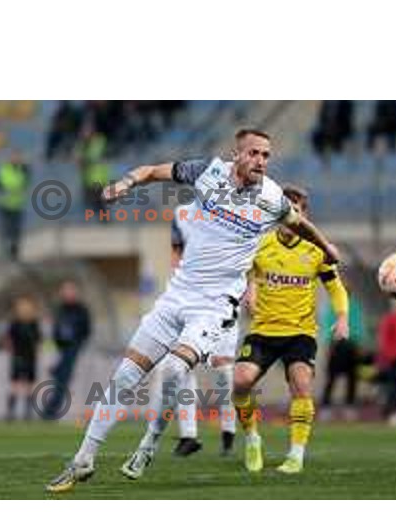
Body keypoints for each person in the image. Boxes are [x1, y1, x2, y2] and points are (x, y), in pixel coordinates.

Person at [46, 128, 340, 492]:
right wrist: (125, 184)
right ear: (238, 154)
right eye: (254, 153)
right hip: (176, 296)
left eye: (266, 155)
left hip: (214, 306)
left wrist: (327, 247)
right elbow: (152, 171)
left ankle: (150, 443)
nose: (261, 161)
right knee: (124, 377)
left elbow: (301, 225)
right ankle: (82, 459)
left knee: (173, 368)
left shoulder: (271, 197)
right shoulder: (208, 172)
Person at [231, 185, 349, 474]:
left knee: (302, 385)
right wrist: (250, 289)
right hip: (263, 329)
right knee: (240, 383)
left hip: (300, 332)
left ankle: (296, 455)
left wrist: (343, 317)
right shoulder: (260, 243)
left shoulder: (316, 249)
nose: (291, 215)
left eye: (297, 209)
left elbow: (335, 288)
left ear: (304, 215)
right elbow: (246, 272)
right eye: (287, 209)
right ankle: (252, 438)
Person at [133, 202, 238, 464]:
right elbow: (176, 252)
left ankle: (228, 431)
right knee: (180, 366)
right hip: (188, 300)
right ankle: (188, 435)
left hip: (219, 303)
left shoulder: (234, 213)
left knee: (222, 372)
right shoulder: (181, 214)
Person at [44, 281, 92, 419]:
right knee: (61, 380)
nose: (68, 294)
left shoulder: (81, 310)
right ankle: (50, 410)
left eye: (70, 291)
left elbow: (86, 329)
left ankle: (50, 411)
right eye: (66, 291)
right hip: (61, 348)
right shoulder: (60, 309)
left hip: (74, 347)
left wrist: (79, 341)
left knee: (62, 378)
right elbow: (55, 329)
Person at [4, 297, 41, 421]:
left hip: (30, 358)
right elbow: (9, 340)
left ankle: (27, 413)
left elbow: (38, 341)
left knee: (29, 386)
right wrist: (13, 353)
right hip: (18, 357)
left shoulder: (33, 323)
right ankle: (11, 413)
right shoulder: (15, 324)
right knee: (16, 385)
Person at [0, 152, 31, 260]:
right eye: (14, 157)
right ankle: (4, 253)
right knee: (5, 230)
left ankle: (14, 253)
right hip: (4, 204)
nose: (16, 159)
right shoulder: (4, 169)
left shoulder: (23, 170)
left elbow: (25, 183)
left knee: (16, 231)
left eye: (18, 157)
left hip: (18, 205)